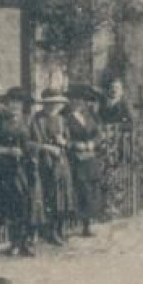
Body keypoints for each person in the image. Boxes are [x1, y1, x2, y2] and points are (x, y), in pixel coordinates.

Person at [0, 86, 41, 256]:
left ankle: (27, 242)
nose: (15, 106)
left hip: (26, 168)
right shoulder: (0, 122)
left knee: (28, 204)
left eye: (18, 103)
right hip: (7, 169)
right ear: (7, 104)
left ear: (23, 105)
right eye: (11, 102)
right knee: (12, 204)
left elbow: (37, 142)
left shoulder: (29, 121)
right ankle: (15, 242)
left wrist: (27, 150)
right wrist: (8, 151)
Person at [30, 88, 74, 246]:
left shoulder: (62, 120)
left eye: (56, 104)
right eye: (50, 104)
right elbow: (32, 142)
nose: (53, 107)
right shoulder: (37, 119)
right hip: (44, 162)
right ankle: (46, 231)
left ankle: (58, 230)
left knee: (61, 197)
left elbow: (69, 142)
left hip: (61, 163)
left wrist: (64, 142)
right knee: (46, 196)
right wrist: (47, 148)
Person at [66, 83, 102, 236]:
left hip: (90, 156)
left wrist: (92, 143)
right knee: (80, 188)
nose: (78, 103)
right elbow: (64, 139)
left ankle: (88, 223)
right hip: (75, 158)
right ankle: (79, 224)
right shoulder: (65, 117)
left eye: (81, 100)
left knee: (92, 188)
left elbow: (98, 134)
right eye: (74, 99)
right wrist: (76, 145)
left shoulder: (89, 115)